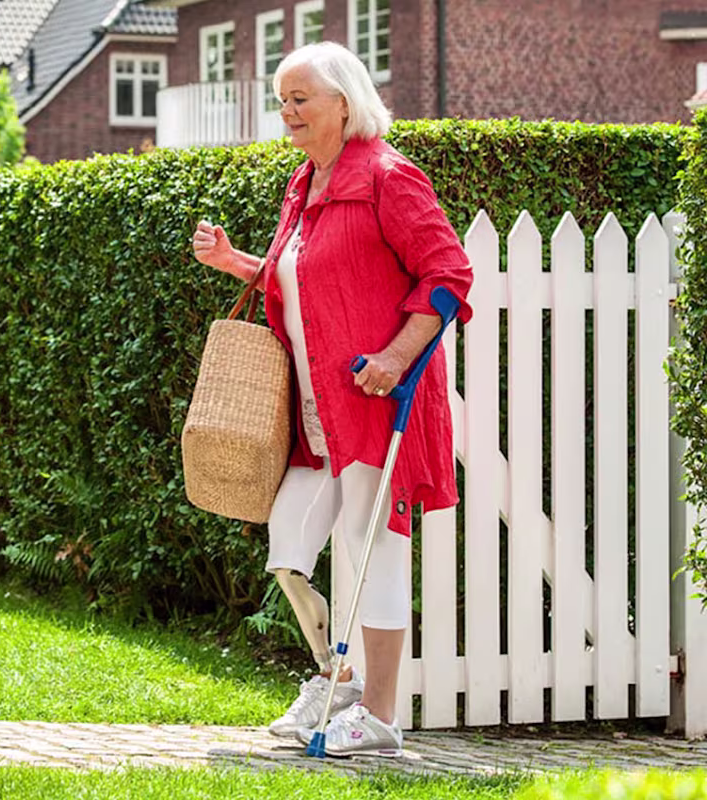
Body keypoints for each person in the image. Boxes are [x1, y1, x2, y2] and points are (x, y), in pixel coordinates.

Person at [192, 41, 472, 757]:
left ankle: (378, 716)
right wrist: (238, 263)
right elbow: (305, 286)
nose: (286, 111)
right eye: (282, 100)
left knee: (372, 551)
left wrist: (396, 356)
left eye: (300, 98)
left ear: (343, 103)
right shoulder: (303, 185)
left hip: (373, 403)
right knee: (288, 546)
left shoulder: (387, 177)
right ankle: (336, 678)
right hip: (316, 414)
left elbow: (447, 273)